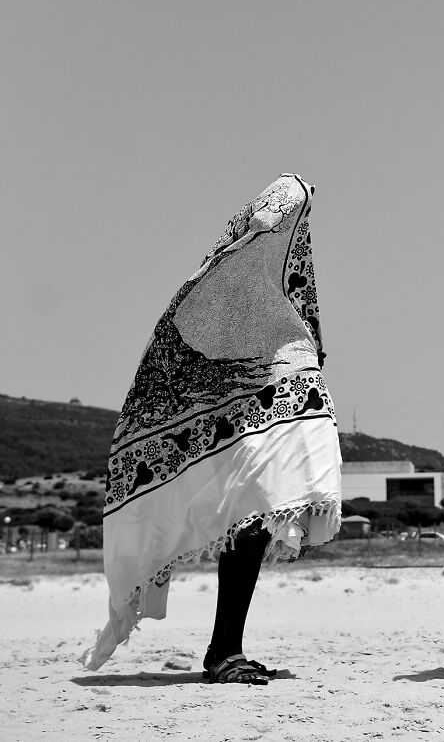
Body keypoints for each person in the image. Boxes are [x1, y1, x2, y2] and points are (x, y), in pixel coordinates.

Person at [82, 174, 342, 683]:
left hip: (269, 413)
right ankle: (223, 651)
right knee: (250, 522)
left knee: (255, 522)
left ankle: (225, 648)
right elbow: (281, 205)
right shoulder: (223, 282)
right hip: (248, 422)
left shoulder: (276, 294)